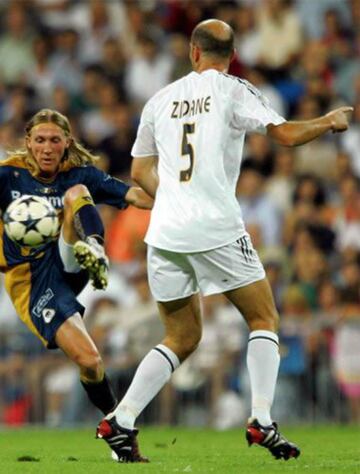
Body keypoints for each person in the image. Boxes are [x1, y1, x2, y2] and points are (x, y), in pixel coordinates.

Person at [96, 19, 353, 462]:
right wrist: (329, 121)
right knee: (263, 318)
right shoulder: (234, 90)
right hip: (215, 225)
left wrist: (174, 198)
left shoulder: (159, 100)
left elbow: (139, 171)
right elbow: (286, 134)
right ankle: (261, 418)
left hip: (165, 232)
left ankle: (120, 419)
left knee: (181, 336)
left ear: (193, 53)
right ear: (231, 56)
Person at [0, 109, 152, 433]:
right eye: (39, 140)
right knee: (90, 361)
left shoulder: (79, 173)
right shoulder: (7, 176)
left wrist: (179, 197)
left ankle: (94, 247)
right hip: (33, 282)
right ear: (28, 142)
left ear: (67, 141)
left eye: (54, 140)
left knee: (77, 194)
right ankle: (117, 425)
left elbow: (134, 195)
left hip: (71, 260)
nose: (47, 147)